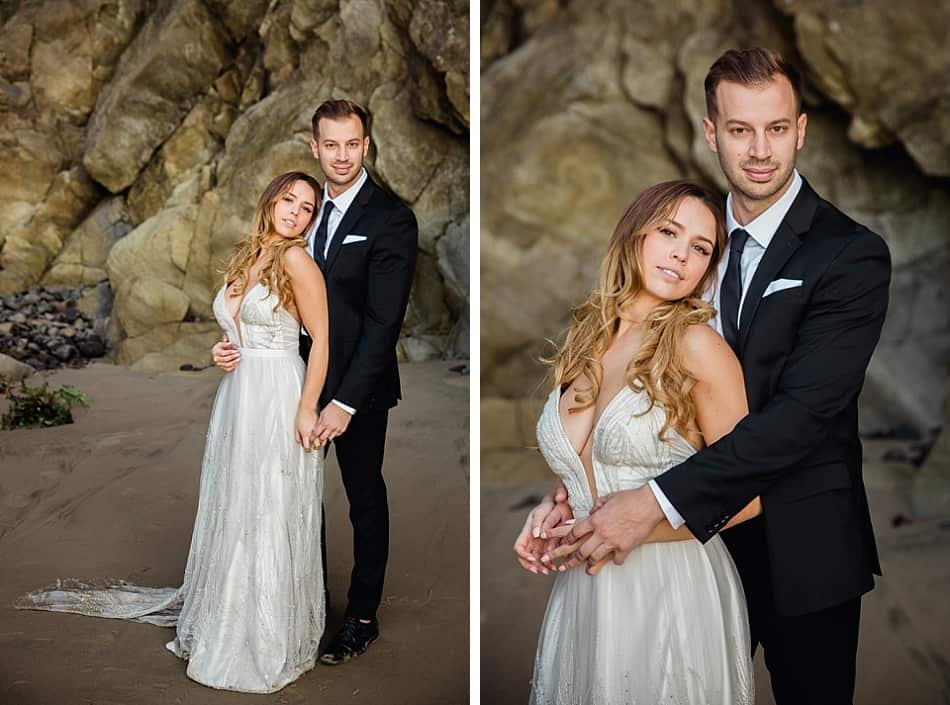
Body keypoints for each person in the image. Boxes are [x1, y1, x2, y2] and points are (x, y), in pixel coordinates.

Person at [545, 48, 891, 705]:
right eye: (739, 129)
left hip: (800, 544)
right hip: (684, 552)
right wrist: (573, 489)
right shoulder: (687, 248)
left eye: (777, 128)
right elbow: (627, 386)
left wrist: (653, 502)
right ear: (711, 132)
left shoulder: (848, 254)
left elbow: (800, 416)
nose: (759, 150)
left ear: (802, 129)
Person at [16, 171, 331, 693]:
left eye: (306, 208)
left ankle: (269, 637)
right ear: (271, 198)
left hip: (278, 395)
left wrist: (307, 408)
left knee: (270, 506)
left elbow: (320, 340)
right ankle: (226, 620)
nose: (295, 212)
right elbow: (239, 329)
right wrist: (222, 350)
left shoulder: (298, 260)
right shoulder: (247, 255)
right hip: (239, 397)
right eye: (289, 200)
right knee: (236, 505)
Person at [516, 179, 761, 704]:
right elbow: (591, 465)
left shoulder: (699, 347)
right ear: (634, 236)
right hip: (585, 588)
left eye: (700, 248)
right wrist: (556, 507)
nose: (681, 254)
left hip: (670, 586)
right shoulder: (588, 337)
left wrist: (630, 528)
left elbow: (749, 496)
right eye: (669, 231)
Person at [213, 99, 418, 665]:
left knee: (362, 496)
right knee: (290, 494)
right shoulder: (301, 214)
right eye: (331, 145)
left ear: (366, 145)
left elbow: (383, 322)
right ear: (315, 147)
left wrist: (344, 403)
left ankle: (360, 616)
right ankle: (305, 599)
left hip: (358, 386)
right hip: (285, 382)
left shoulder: (390, 219)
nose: (342, 155)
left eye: (352, 144)